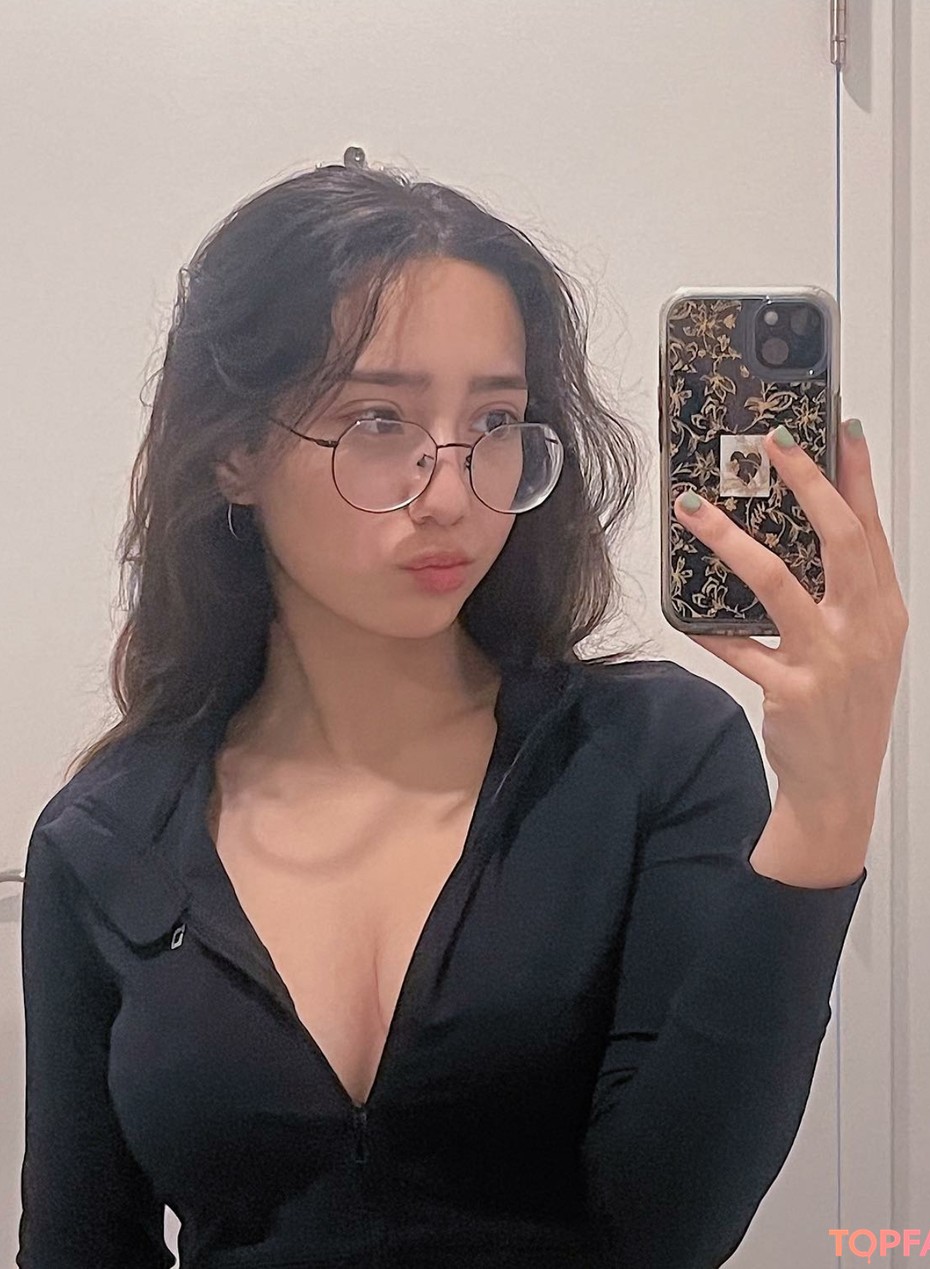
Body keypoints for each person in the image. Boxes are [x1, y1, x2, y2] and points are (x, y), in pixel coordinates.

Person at [18, 147, 871, 1268]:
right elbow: (79, 1243)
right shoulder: (104, 840)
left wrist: (825, 816)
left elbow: (666, 1228)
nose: (456, 494)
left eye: (498, 421)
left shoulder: (654, 756)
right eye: (379, 420)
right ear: (233, 451)